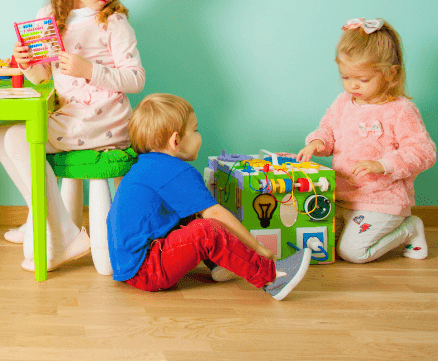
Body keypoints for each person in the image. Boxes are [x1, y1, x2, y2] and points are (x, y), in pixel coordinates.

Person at [0, 0, 143, 272]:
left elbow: (136, 79)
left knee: (17, 138)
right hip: (73, 114)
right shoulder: (49, 14)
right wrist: (27, 63)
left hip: (103, 119)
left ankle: (63, 233)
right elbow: (44, 78)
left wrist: (90, 69)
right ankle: (50, 223)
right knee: (0, 135)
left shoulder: (113, 22)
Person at [108, 94, 312, 300]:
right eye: (195, 130)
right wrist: (258, 248)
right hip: (146, 270)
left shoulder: (145, 166)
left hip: (128, 264)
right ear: (176, 140)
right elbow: (214, 213)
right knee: (206, 230)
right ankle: (271, 276)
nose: (198, 135)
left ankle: (220, 265)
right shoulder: (175, 171)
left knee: (193, 210)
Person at [297, 18, 436, 262]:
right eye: (345, 77)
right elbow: (327, 130)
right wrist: (317, 142)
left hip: (382, 201)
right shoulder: (343, 103)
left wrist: (384, 165)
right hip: (343, 197)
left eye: (362, 79)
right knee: (315, 245)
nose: (352, 86)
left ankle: (409, 229)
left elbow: (424, 152)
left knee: (352, 253)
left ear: (390, 73)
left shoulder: (400, 110)